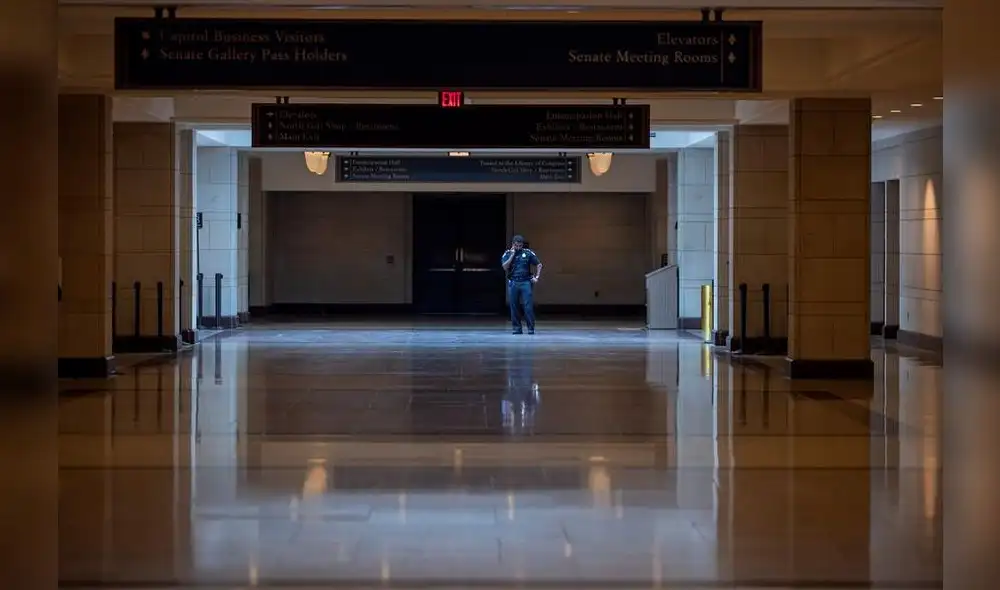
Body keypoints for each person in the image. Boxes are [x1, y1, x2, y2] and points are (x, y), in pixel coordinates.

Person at [501, 234, 542, 334]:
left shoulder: (527, 253)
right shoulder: (507, 253)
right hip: (514, 282)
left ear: (522, 245)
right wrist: (512, 255)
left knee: (528, 306)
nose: (518, 247)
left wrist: (537, 277)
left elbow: (539, 264)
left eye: (520, 245)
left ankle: (530, 328)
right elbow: (505, 267)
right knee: (514, 306)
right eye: (516, 245)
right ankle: (517, 328)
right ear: (513, 244)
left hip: (525, 282)